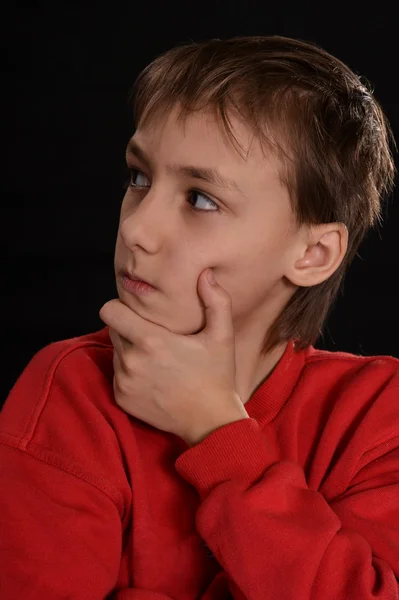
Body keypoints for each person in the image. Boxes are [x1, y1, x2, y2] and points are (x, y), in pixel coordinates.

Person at [0, 35, 398, 600]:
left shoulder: (378, 418)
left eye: (201, 199)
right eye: (139, 178)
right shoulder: (70, 393)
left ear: (313, 255)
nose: (137, 229)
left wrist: (217, 432)